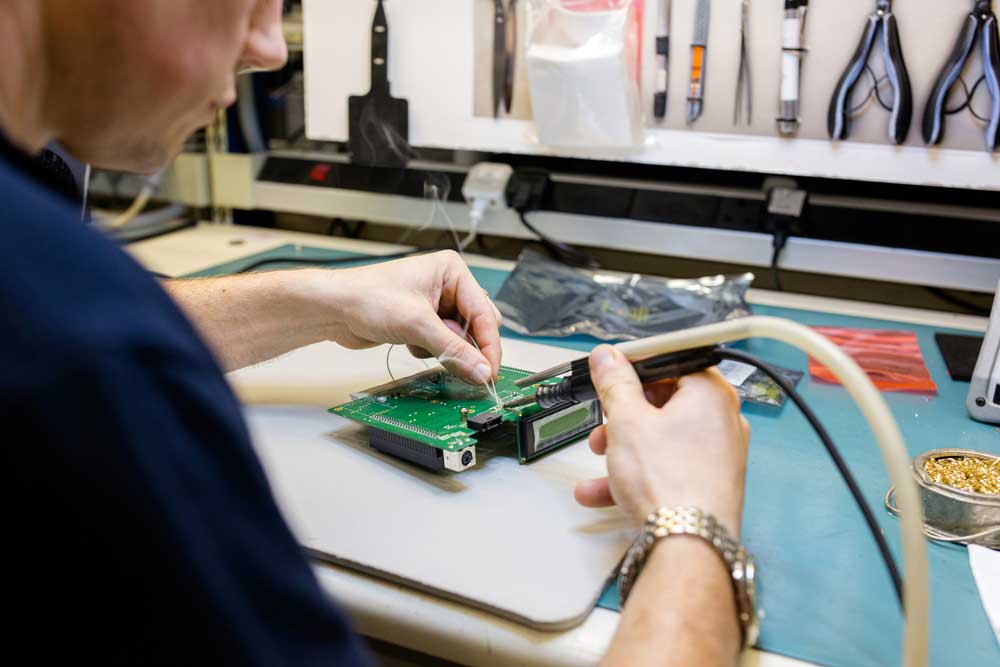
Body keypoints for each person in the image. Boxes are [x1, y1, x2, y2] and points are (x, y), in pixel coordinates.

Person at [0, 1, 750, 665]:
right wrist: (694, 532)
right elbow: (80, 333)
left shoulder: (50, 285)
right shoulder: (85, 357)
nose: (269, 47)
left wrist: (321, 300)